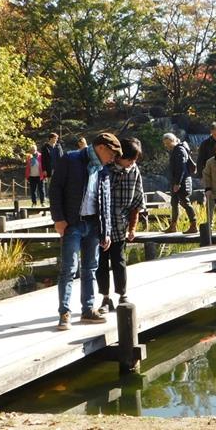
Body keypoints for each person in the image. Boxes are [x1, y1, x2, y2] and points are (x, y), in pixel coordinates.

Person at [50, 132, 122, 330]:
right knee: (68, 269)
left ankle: (88, 310)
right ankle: (64, 313)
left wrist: (106, 230)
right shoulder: (71, 159)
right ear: (101, 148)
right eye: (112, 154)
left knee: (90, 268)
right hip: (72, 224)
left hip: (93, 225)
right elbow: (55, 189)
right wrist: (59, 219)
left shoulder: (103, 171)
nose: (113, 158)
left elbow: (105, 202)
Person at [98, 138, 145, 315]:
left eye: (135, 160)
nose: (132, 163)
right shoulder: (105, 169)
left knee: (119, 260)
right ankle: (105, 297)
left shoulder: (134, 171)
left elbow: (137, 202)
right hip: (102, 224)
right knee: (101, 262)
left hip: (120, 224)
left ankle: (122, 294)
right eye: (129, 159)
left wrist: (132, 228)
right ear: (119, 156)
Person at [162, 133, 198, 234]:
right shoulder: (175, 150)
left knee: (185, 202)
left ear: (173, 141)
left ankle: (194, 225)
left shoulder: (179, 150)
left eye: (168, 144)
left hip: (183, 181)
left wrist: (178, 183)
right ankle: (173, 226)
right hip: (176, 181)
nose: (167, 146)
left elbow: (181, 168)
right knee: (174, 203)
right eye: (165, 144)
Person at [197, 122, 216, 228]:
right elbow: (200, 161)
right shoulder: (205, 144)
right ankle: (209, 225)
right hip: (210, 175)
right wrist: (201, 176)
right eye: (215, 135)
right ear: (211, 132)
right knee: (210, 203)